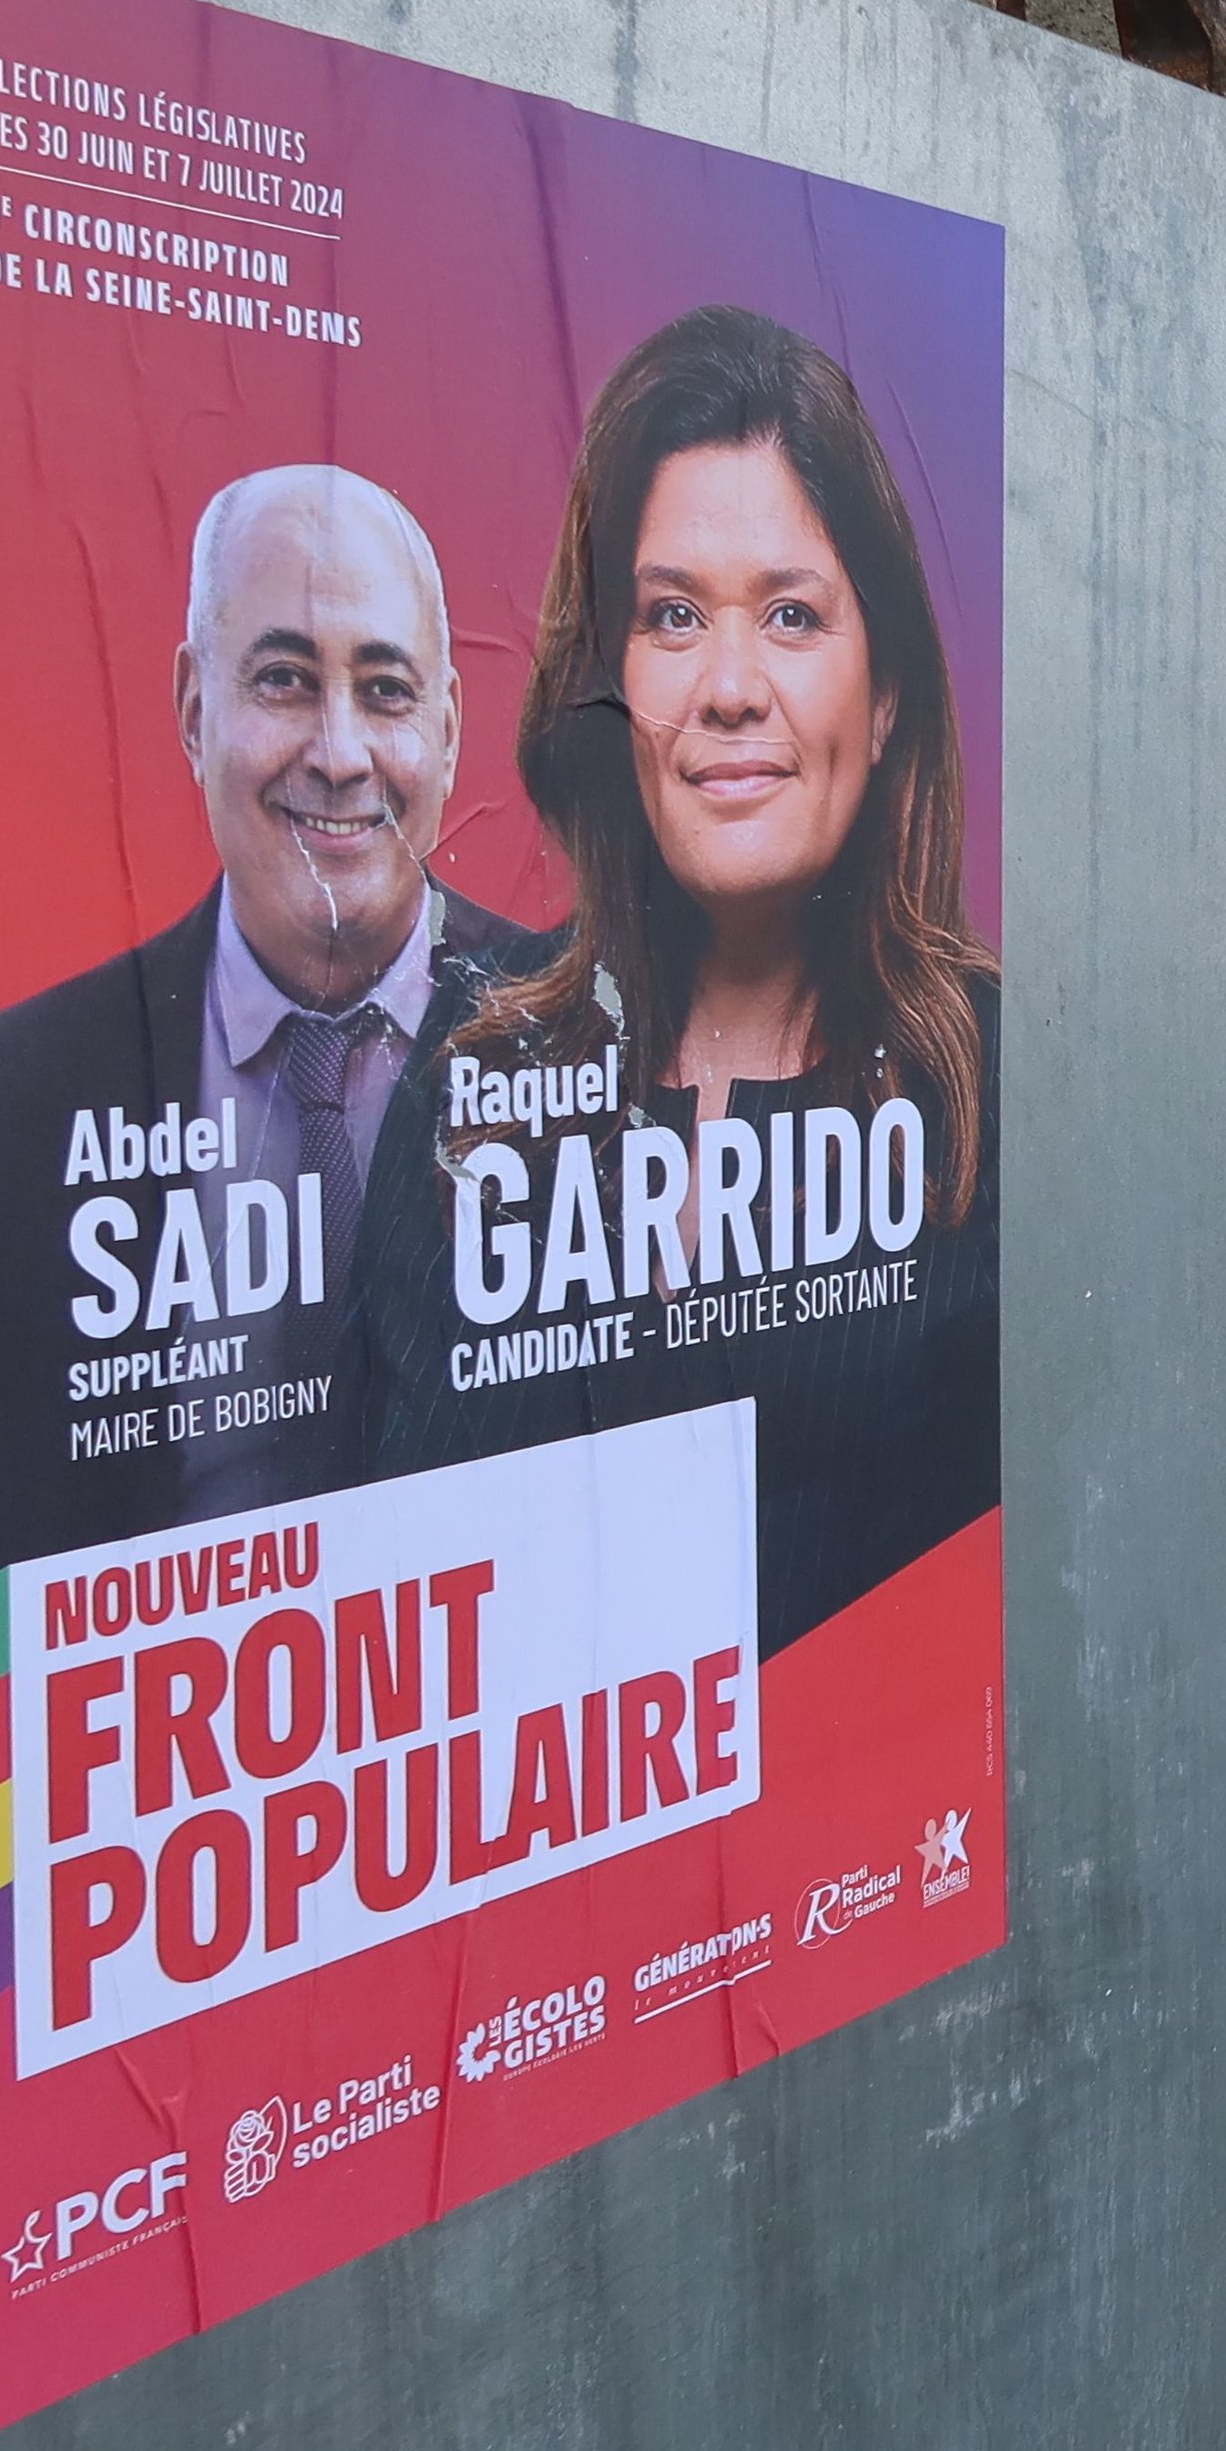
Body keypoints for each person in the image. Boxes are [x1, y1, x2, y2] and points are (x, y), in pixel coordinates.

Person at [365, 305, 998, 1655]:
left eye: (790, 614)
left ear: (884, 694)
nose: (728, 687)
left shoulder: (996, 1093)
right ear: (609, 681)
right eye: (670, 616)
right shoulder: (472, 1089)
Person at [0, 466, 547, 1613]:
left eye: (386, 691)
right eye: (286, 680)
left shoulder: (606, 1044)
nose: (340, 753)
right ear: (195, 709)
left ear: (448, 731)